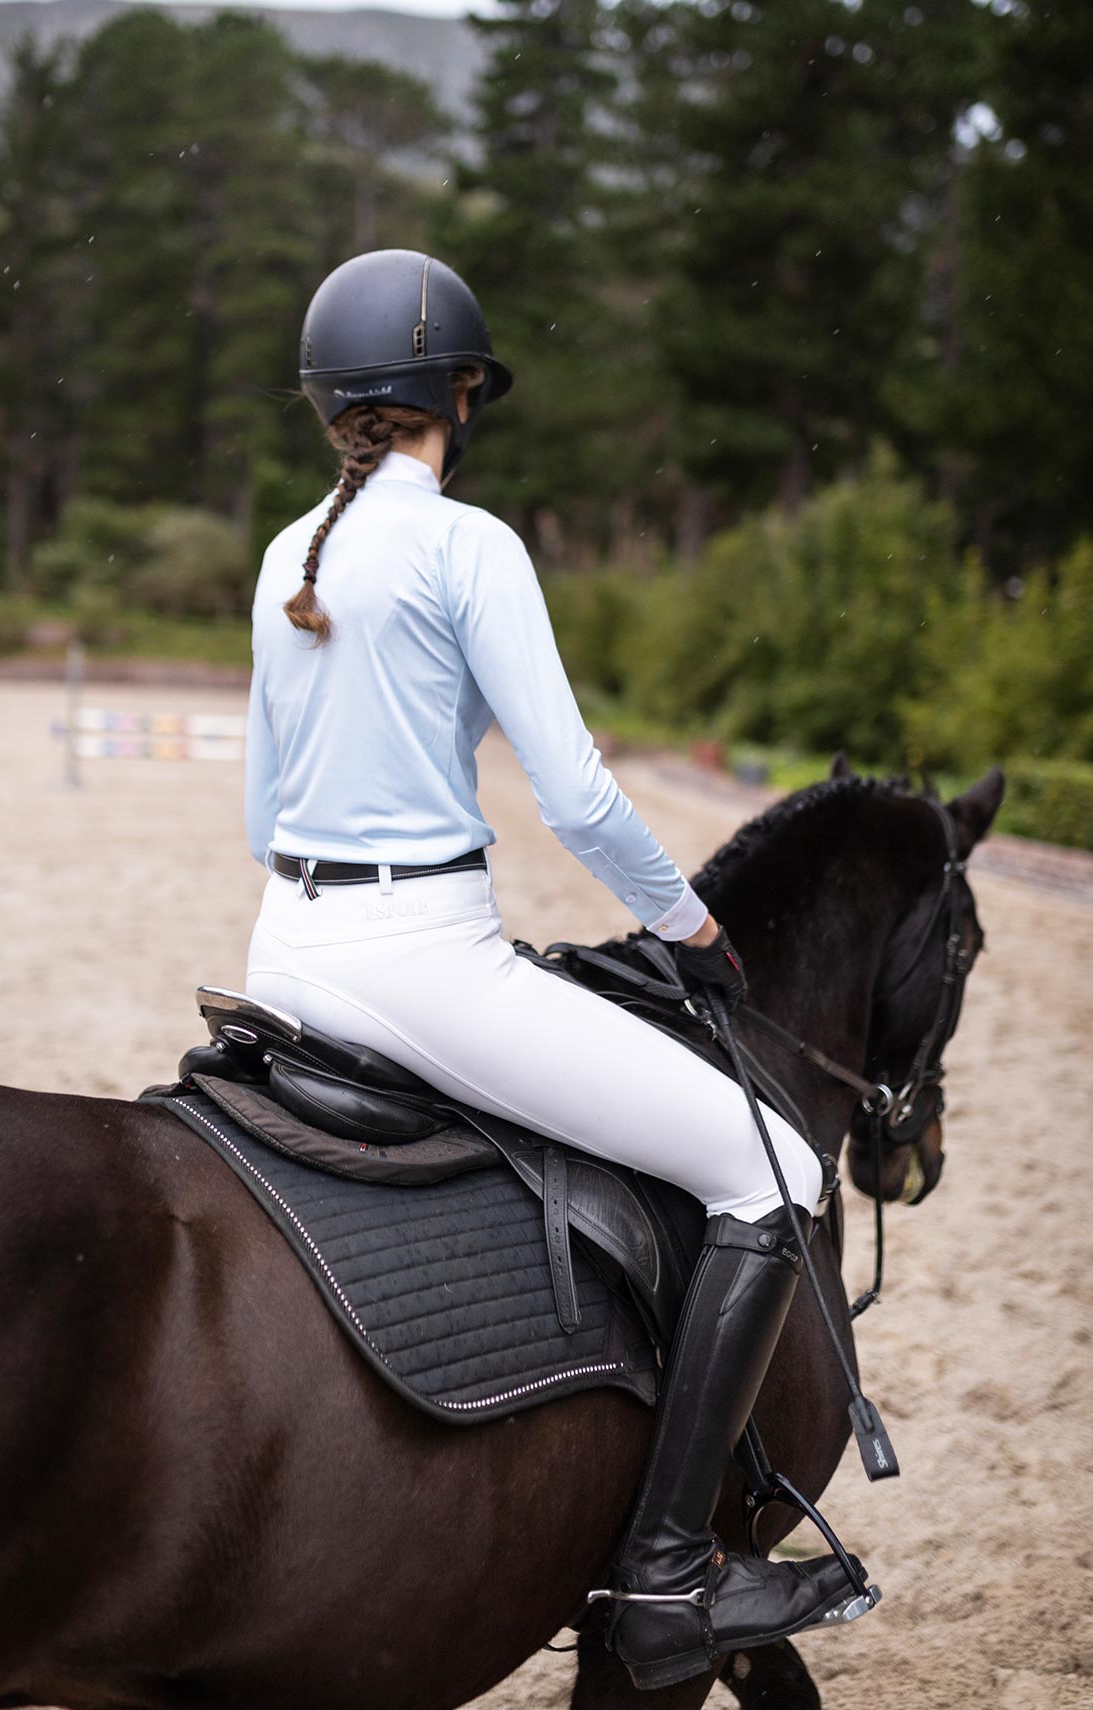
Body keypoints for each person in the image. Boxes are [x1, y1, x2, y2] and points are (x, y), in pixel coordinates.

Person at [243, 249, 870, 1689]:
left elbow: (265, 808)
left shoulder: (291, 555)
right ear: (461, 395)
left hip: (284, 956)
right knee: (768, 1166)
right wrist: (690, 928)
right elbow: (578, 796)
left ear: (333, 403)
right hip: (421, 964)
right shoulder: (472, 546)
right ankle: (664, 1566)